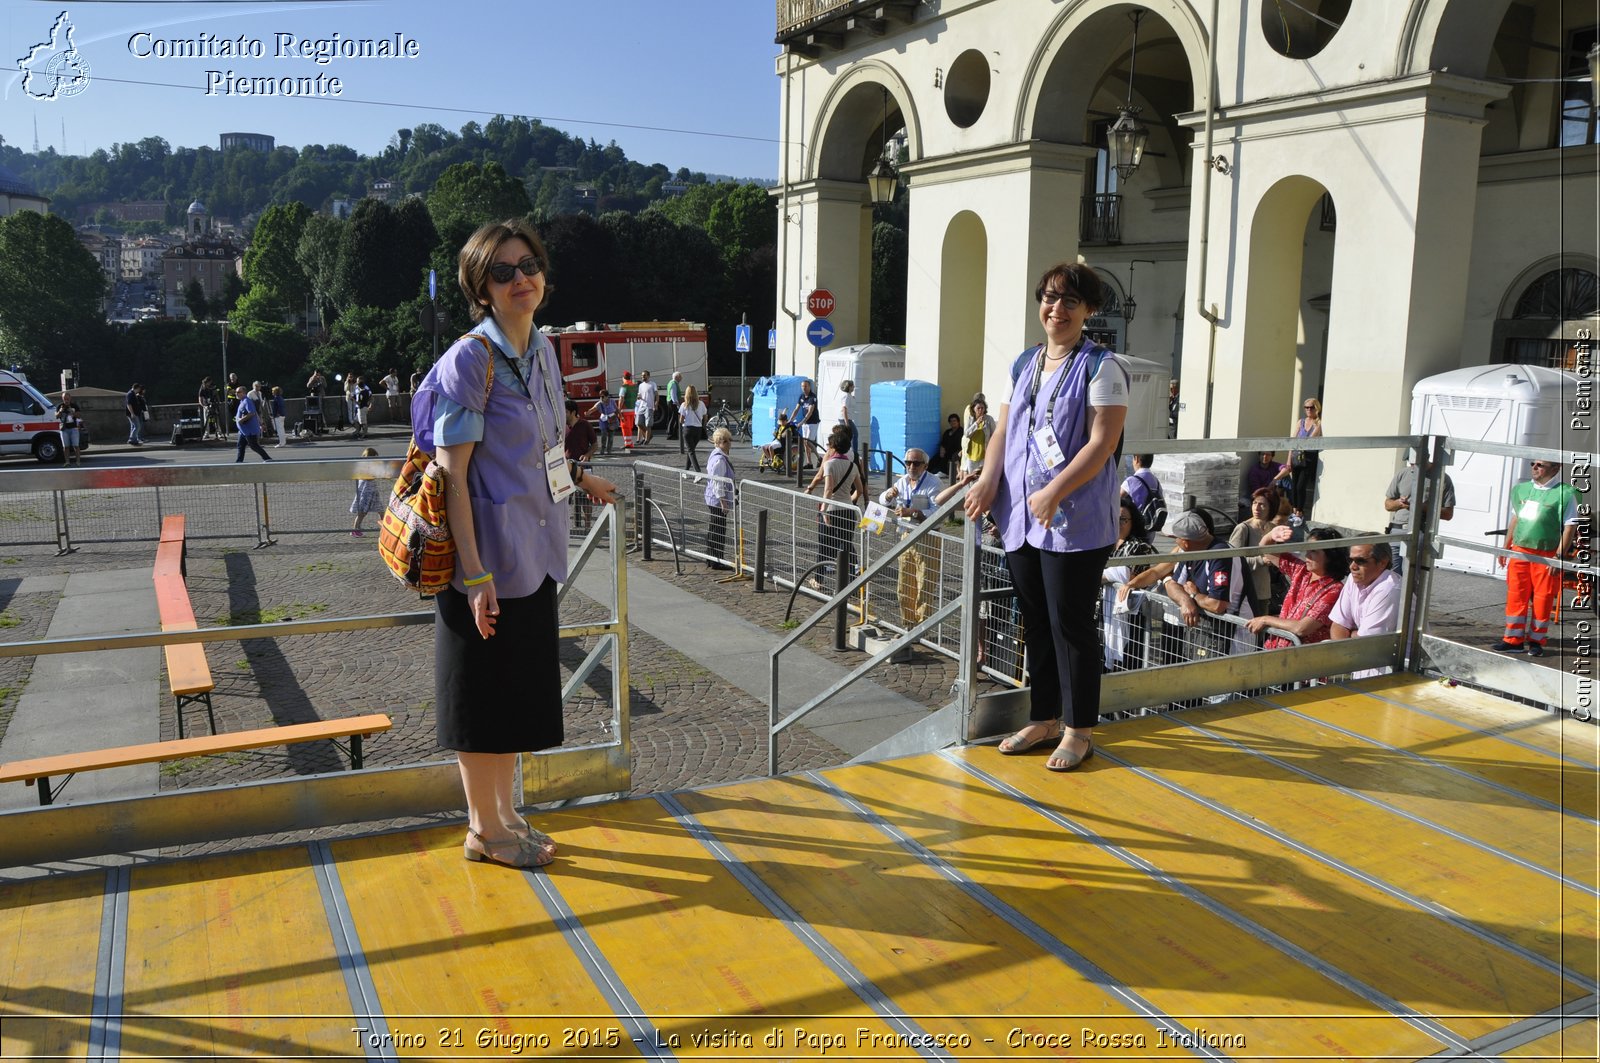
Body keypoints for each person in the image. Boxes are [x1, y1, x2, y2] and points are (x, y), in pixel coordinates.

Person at [411, 217, 618, 870]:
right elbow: (451, 476)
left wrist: (582, 478)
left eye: (527, 264)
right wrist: (473, 577)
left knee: (510, 700)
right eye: (502, 271)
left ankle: (500, 816)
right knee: (481, 701)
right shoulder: (472, 358)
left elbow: (550, 445)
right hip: (484, 566)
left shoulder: (541, 350)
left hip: (533, 554)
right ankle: (485, 829)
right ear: (481, 287)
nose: (519, 278)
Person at [964, 261, 1130, 773]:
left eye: (1068, 302)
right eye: (1049, 299)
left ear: (1089, 310)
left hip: (1074, 517)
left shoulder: (1102, 367)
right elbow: (1004, 430)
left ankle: (1079, 730)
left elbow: (1102, 444)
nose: (1056, 310)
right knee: (1034, 619)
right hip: (1022, 514)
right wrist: (990, 478)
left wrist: (1055, 490)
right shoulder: (1025, 363)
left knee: (1071, 623)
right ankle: (1043, 716)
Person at [1494, 458, 1581, 657]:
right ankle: (1513, 640)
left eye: (1540, 465)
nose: (1534, 467)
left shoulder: (1566, 494)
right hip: (1520, 551)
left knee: (1543, 598)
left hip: (1546, 553)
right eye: (1533, 463)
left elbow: (1570, 526)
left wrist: (1559, 557)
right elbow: (1516, 517)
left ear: (1556, 468)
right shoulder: (1521, 490)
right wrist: (1505, 547)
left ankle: (1536, 641)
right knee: (1516, 595)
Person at [1247, 525, 1348, 648]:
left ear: (1330, 556)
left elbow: (1302, 628)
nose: (1307, 555)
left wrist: (1266, 619)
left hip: (1301, 659)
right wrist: (1271, 535)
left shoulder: (1334, 590)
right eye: (1307, 550)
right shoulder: (1301, 571)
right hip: (1275, 649)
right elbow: (1265, 548)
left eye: (1314, 551)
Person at [879, 447, 943, 628]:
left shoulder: (934, 483)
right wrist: (889, 495)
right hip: (906, 535)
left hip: (927, 536)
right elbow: (883, 501)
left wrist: (913, 512)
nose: (911, 466)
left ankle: (922, 627)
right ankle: (908, 623)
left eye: (916, 463)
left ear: (925, 465)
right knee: (905, 583)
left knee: (925, 583)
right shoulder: (903, 481)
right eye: (908, 463)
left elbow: (939, 512)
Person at [1158, 508, 1251, 626]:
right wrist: (1185, 600)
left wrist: (1194, 595)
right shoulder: (1190, 551)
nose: (1175, 542)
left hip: (1237, 628)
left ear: (1185, 542)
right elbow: (1173, 584)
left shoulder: (1220, 554)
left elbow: (1217, 605)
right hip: (1212, 626)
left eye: (1176, 538)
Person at [1329, 541, 1401, 677]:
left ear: (1383, 562)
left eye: (1360, 561)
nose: (1353, 566)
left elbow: (1365, 644)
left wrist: (1353, 634)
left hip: (1392, 675)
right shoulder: (1353, 579)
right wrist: (1349, 646)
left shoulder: (1389, 589)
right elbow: (1338, 625)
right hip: (1364, 670)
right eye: (1350, 560)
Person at [1102, 498, 1158, 670]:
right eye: (1113, 517)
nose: (1118, 523)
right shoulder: (1102, 543)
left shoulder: (1139, 547)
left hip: (1129, 614)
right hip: (1101, 614)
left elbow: (1129, 576)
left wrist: (1104, 575)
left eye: (1123, 519)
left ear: (1132, 522)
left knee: (1128, 663)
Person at [805, 424, 864, 588]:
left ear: (834, 447)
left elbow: (828, 489)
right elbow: (859, 489)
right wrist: (849, 501)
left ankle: (818, 580)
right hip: (848, 510)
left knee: (824, 544)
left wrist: (824, 510)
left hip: (831, 509)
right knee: (845, 544)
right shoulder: (852, 466)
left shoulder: (830, 464)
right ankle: (851, 580)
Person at [1384, 449, 1456, 575]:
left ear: (1426, 458)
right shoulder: (1403, 474)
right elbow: (1388, 504)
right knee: (1392, 576)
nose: (1412, 466)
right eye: (1410, 463)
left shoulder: (1442, 478)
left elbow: (1448, 514)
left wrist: (1419, 507)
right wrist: (1398, 504)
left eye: (1415, 463)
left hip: (1420, 532)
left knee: (1413, 578)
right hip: (1397, 530)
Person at [1229, 485, 1282, 619]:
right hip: (1244, 593)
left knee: (1259, 635)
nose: (1256, 508)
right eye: (1254, 503)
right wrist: (1261, 561)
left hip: (1264, 592)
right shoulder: (1243, 529)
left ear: (1271, 507)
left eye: (1262, 505)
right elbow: (1232, 561)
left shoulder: (1273, 529)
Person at [704, 427, 736, 570]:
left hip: (714, 498)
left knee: (714, 528)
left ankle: (711, 558)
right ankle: (716, 560)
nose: (729, 443)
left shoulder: (717, 455)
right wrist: (723, 502)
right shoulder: (719, 460)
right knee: (718, 530)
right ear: (718, 443)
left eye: (729, 440)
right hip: (717, 500)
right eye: (725, 441)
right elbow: (718, 482)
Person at [565, 399, 598, 531]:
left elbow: (595, 445)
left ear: (573, 412)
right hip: (566, 467)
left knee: (586, 497)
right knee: (565, 498)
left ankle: (588, 526)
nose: (563, 414)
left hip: (583, 467)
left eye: (566, 411)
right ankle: (566, 525)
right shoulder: (561, 426)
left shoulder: (585, 425)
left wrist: (587, 454)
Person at [1288, 396, 1322, 521]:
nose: (1308, 410)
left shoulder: (1318, 423)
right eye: (1306, 407)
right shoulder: (1300, 422)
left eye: (1311, 407)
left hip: (1308, 457)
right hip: (1296, 455)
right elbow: (1293, 440)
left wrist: (1299, 443)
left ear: (1316, 408)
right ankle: (1294, 510)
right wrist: (1288, 460)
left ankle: (1300, 512)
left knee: (1301, 486)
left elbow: (1309, 441)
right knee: (1294, 484)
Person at [1120, 453, 1166, 538]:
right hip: (1151, 525)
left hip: (1136, 526)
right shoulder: (1156, 481)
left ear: (1136, 459)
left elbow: (1117, 499)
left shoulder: (1131, 481)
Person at [232, 385, 274, 463]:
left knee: (254, 446)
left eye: (238, 392)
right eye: (236, 392)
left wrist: (241, 420)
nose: (236, 394)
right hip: (243, 431)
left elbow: (252, 413)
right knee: (240, 446)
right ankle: (239, 461)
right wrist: (261, 423)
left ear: (244, 393)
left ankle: (267, 458)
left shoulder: (247, 401)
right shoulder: (242, 401)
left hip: (250, 430)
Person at [961, 394, 996, 477]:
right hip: (972, 453)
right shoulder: (970, 419)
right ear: (974, 409)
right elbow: (966, 434)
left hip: (984, 453)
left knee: (982, 476)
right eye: (978, 408)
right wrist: (976, 423)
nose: (980, 410)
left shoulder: (989, 419)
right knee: (972, 476)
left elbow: (994, 434)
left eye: (982, 408)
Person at [350, 447, 379, 536]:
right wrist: (373, 475)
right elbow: (366, 478)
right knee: (362, 513)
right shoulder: (363, 467)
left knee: (379, 510)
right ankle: (355, 529)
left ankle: (385, 529)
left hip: (372, 492)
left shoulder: (369, 466)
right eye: (374, 457)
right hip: (365, 493)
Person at [791, 379, 820, 467]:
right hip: (805, 423)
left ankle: (819, 458)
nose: (804, 388)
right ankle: (809, 462)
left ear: (809, 386)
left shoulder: (812, 397)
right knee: (805, 442)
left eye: (806, 386)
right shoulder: (802, 396)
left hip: (813, 422)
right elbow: (796, 409)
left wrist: (801, 422)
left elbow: (810, 412)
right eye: (802, 386)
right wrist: (790, 420)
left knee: (808, 442)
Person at [679, 384, 708, 471]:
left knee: (691, 451)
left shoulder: (684, 405)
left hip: (687, 429)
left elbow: (681, 420)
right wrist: (703, 424)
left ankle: (697, 472)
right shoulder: (701, 404)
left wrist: (684, 422)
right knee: (691, 450)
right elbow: (705, 416)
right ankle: (686, 470)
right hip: (698, 429)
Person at [586, 388, 619, 455]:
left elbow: (617, 409)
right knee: (603, 435)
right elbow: (593, 409)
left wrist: (620, 417)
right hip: (603, 420)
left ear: (607, 396)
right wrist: (588, 412)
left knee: (611, 436)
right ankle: (603, 449)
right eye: (600, 396)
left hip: (612, 419)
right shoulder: (599, 403)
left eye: (602, 396)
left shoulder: (612, 401)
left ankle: (609, 450)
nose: (601, 398)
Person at [55, 391, 84, 466]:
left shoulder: (74, 406)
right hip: (64, 429)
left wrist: (73, 413)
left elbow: (79, 416)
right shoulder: (60, 406)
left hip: (74, 428)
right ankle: (67, 462)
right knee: (66, 446)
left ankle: (78, 462)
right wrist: (60, 412)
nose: (66, 400)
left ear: (70, 398)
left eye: (67, 399)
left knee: (76, 445)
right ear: (62, 399)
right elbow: (56, 416)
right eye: (64, 399)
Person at [937, 413, 963, 478]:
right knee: (936, 457)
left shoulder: (961, 431)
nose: (953, 422)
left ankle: (944, 472)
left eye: (954, 421)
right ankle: (926, 471)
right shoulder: (947, 432)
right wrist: (942, 449)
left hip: (958, 451)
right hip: (947, 451)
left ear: (958, 422)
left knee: (952, 456)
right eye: (951, 421)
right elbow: (943, 443)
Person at [637, 370, 658, 445]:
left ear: (648, 376)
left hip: (649, 406)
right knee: (639, 423)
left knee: (648, 424)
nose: (643, 377)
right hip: (641, 406)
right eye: (642, 375)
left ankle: (646, 439)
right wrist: (638, 397)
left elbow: (656, 394)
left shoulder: (652, 384)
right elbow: (639, 394)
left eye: (644, 375)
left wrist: (656, 403)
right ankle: (649, 435)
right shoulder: (640, 385)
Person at [837, 379, 857, 455]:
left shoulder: (849, 396)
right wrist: (847, 422)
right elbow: (844, 408)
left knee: (848, 436)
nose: (854, 387)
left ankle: (849, 452)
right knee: (854, 435)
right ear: (849, 387)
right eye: (852, 386)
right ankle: (853, 453)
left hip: (847, 418)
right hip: (845, 418)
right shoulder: (846, 396)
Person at [666, 371, 683, 444]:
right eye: (680, 377)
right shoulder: (673, 383)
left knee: (671, 417)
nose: (681, 378)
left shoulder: (671, 382)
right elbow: (673, 395)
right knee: (674, 418)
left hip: (670, 402)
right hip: (673, 402)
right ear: (677, 377)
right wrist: (677, 404)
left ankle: (670, 433)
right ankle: (671, 434)